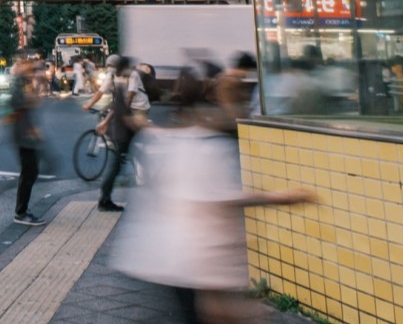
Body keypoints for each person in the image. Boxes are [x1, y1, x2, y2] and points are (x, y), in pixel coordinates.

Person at [113, 104, 316, 324]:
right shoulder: (207, 147)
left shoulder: (166, 141)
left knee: (200, 309)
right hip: (185, 255)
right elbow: (220, 197)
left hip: (168, 254)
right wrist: (280, 198)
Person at [85, 54, 150, 212]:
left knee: (124, 153)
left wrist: (107, 120)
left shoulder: (124, 77)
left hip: (127, 118)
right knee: (118, 161)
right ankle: (105, 200)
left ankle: (143, 175)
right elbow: (123, 104)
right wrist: (106, 120)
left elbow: (121, 103)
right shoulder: (121, 78)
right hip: (124, 123)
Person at [8, 54, 47, 227]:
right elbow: (18, 108)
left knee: (31, 171)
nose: (31, 70)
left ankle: (22, 210)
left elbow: (33, 103)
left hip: (26, 134)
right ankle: (20, 212)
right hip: (23, 135)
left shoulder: (23, 84)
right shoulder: (16, 86)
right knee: (29, 171)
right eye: (28, 67)